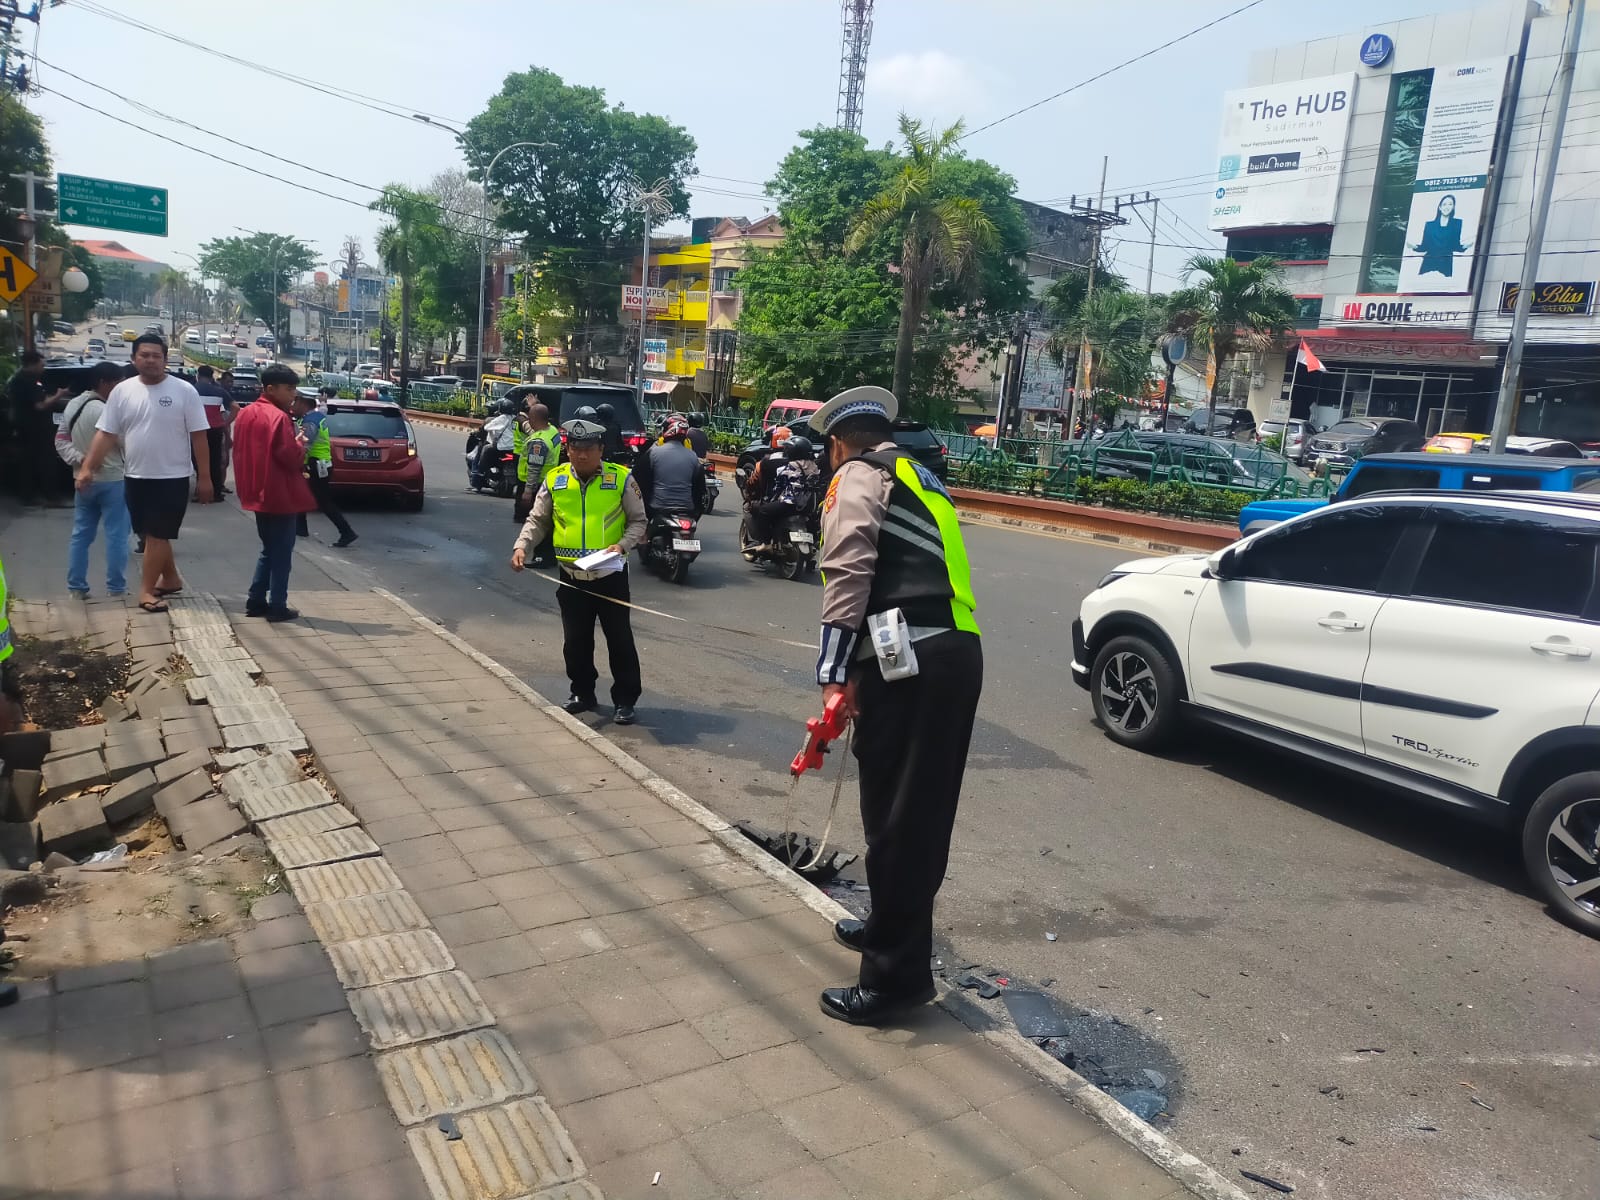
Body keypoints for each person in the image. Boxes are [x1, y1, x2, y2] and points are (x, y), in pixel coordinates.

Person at [808, 385, 982, 1026]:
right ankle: (886, 927)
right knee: (910, 816)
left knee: (900, 824)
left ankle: (894, 981)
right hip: (944, 654)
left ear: (837, 444)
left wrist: (831, 671)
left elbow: (848, 567)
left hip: (912, 663)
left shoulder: (857, 473)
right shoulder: (920, 475)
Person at [510, 417, 646, 724]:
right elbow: (537, 520)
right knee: (575, 641)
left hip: (609, 577)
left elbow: (639, 521)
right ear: (567, 449)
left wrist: (622, 546)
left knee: (620, 641)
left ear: (600, 449)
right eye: (575, 448)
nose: (581, 454)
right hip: (571, 579)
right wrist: (522, 546)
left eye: (588, 448)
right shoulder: (555, 480)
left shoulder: (622, 479)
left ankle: (625, 700)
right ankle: (582, 693)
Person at [77, 334, 211, 614]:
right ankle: (171, 579)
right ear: (134, 358)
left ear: (165, 359)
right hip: (136, 476)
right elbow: (106, 433)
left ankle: (146, 591)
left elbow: (199, 436)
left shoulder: (184, 390)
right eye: (145, 355)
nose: (151, 360)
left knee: (157, 535)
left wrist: (206, 478)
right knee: (150, 534)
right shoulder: (123, 391)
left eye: (157, 356)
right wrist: (88, 467)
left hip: (172, 477)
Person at [233, 364, 316, 622]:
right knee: (281, 553)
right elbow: (290, 457)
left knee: (269, 548)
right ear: (271, 388)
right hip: (279, 492)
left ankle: (255, 600)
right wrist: (300, 445)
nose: (293, 394)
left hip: (256, 490)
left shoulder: (246, 414)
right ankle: (277, 605)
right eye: (289, 389)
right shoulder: (278, 418)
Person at [56, 362, 131, 598]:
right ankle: (116, 588)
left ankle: (76, 587)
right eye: (118, 384)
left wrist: (82, 461)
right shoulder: (107, 411)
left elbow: (60, 441)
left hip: (82, 480)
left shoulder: (73, 406)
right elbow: (125, 443)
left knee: (80, 535)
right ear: (104, 383)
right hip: (113, 480)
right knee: (117, 535)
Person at [289, 393, 358, 548]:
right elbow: (323, 410)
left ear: (303, 404)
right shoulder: (317, 416)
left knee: (323, 501)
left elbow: (304, 446)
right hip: (321, 464)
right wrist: (323, 403)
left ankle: (346, 532)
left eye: (295, 403)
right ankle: (301, 529)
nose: (292, 406)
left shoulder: (310, 422)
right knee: (301, 494)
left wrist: (294, 461)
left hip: (315, 465)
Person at [5, 351, 70, 506]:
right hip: (34, 429)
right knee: (45, 463)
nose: (43, 368)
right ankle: (51, 497)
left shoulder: (21, 379)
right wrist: (59, 395)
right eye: (41, 365)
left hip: (28, 428)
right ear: (32, 364)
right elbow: (40, 405)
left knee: (29, 463)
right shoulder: (26, 381)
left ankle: (29, 496)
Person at [744, 434, 820, 552]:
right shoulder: (814, 466)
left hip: (790, 504)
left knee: (764, 511)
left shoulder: (786, 466)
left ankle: (766, 543)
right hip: (809, 505)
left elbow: (778, 485)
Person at [633, 413, 705, 518]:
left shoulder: (654, 453)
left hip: (657, 509)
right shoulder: (693, 456)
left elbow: (637, 479)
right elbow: (699, 490)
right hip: (687, 512)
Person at [513, 402, 559, 533]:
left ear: (533, 419)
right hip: (548, 481)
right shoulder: (552, 430)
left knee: (528, 521)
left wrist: (527, 491)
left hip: (534, 484)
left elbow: (534, 467)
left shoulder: (538, 442)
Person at [193, 365, 237, 501]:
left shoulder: (192, 390)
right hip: (216, 430)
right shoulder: (219, 391)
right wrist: (226, 423)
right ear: (212, 377)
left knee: (199, 461)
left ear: (198, 375)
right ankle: (216, 493)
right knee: (215, 461)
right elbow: (236, 407)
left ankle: (201, 492)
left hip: (198, 430)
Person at [1410, 193, 1470, 279]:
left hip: (1446, 263)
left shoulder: (1457, 223)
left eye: (1450, 204)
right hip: (1429, 262)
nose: (1447, 207)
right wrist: (1413, 246)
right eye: (1444, 204)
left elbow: (1455, 246)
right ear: (1440, 207)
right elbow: (1425, 246)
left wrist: (1466, 246)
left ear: (1453, 207)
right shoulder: (1430, 225)